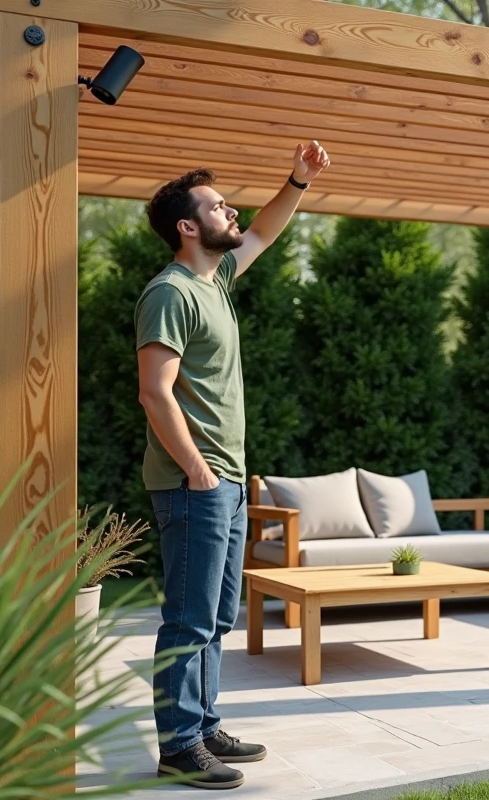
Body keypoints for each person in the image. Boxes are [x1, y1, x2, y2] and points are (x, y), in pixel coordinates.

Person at [134, 142, 330, 790]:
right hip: (195, 484)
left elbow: (266, 231)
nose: (232, 211)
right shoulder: (171, 293)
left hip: (221, 482)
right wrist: (196, 470)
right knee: (188, 619)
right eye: (218, 207)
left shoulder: (216, 283)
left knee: (216, 616)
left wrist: (297, 180)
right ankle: (178, 746)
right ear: (188, 227)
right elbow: (154, 391)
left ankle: (203, 723)